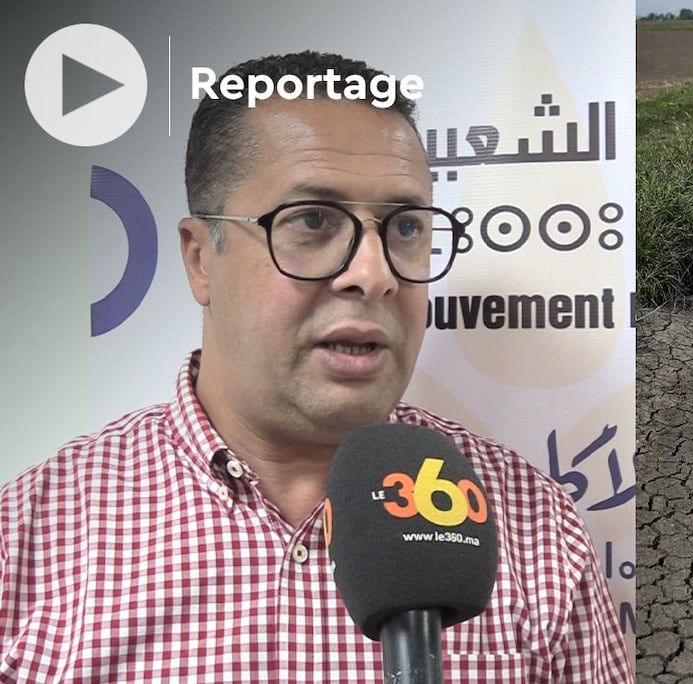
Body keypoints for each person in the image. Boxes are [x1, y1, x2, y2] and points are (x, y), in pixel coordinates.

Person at [0, 51, 631, 683]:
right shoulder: (29, 539)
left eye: (405, 227)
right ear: (200, 258)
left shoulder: (538, 530)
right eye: (312, 221)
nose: (373, 274)